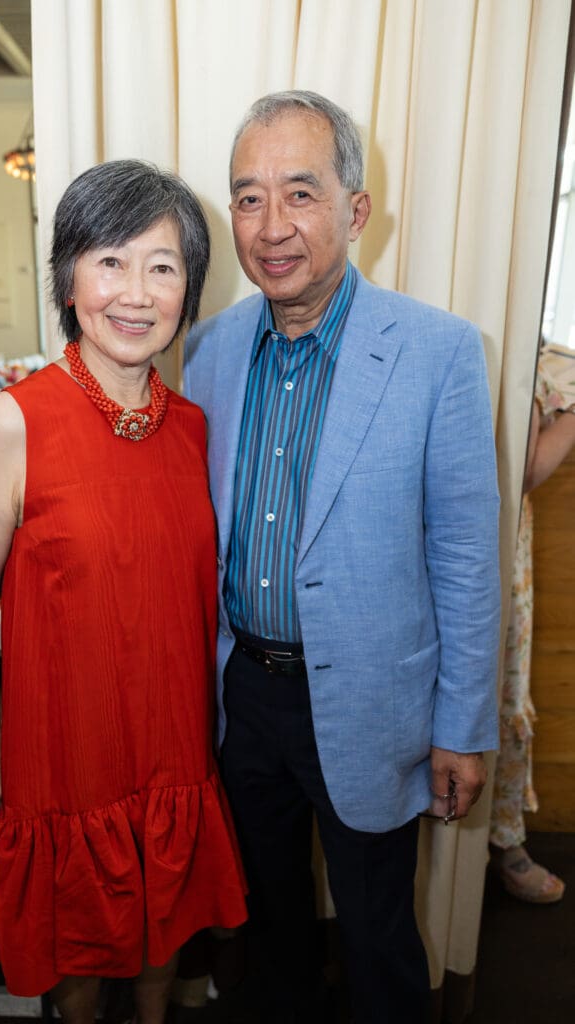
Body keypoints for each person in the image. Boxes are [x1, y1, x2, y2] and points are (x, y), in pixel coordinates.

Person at [183, 90, 501, 1024]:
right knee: (272, 926)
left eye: (300, 193)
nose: (271, 227)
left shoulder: (438, 352)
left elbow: (465, 555)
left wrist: (461, 726)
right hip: (247, 695)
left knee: (375, 938)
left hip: (373, 698)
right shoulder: (205, 349)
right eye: (247, 197)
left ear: (356, 211)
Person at [0, 159, 247, 1024]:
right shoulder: (16, 420)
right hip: (65, 746)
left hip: (170, 741)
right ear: (69, 276)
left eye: (162, 266)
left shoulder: (192, 429)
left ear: (187, 288)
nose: (135, 291)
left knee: (163, 930)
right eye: (108, 260)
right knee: (78, 954)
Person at [489, 350, 575, 902]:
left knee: (505, 690)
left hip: (506, 546)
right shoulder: (523, 352)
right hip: (460, 533)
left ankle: (506, 841)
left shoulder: (554, 361)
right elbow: (522, 468)